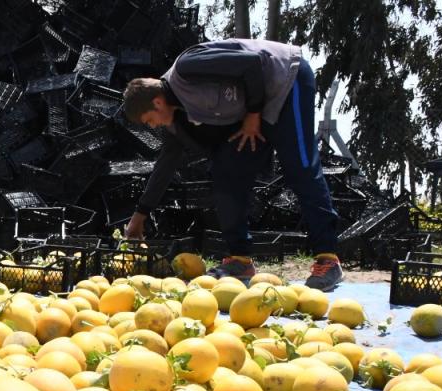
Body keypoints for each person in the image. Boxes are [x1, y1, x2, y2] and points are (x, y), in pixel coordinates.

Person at [122, 38, 344, 290]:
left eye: (149, 120)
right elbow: (165, 165)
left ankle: (328, 259)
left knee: (299, 165)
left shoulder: (187, 68)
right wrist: (140, 215)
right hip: (253, 114)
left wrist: (252, 115)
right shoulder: (176, 121)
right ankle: (240, 260)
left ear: (157, 102)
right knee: (225, 171)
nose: (154, 126)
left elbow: (252, 64)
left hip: (284, 82)